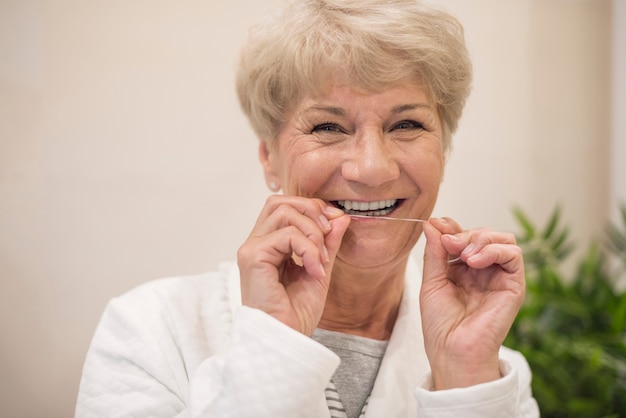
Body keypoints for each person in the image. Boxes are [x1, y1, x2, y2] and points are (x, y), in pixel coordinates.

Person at [76, 0, 539, 416]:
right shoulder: (150, 329)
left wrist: (462, 382)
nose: (372, 169)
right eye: (327, 128)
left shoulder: (491, 371)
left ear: (444, 151)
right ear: (268, 158)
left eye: (407, 124)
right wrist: (273, 345)